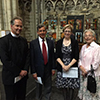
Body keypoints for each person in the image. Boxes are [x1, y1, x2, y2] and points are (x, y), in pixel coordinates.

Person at [0, 16, 30, 100]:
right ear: (11, 26)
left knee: (22, 97)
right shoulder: (3, 41)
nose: (19, 28)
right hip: (10, 77)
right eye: (17, 26)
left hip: (23, 77)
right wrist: (19, 71)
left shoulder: (23, 40)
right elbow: (5, 60)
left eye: (21, 26)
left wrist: (25, 70)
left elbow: (27, 56)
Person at [30, 24, 56, 100]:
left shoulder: (50, 42)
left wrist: (53, 68)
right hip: (38, 70)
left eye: (44, 30)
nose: (42, 32)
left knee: (48, 88)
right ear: (37, 32)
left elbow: (52, 56)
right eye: (40, 31)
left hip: (48, 69)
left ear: (46, 32)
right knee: (38, 89)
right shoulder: (33, 43)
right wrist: (33, 72)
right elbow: (32, 58)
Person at [55, 24, 80, 100]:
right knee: (63, 87)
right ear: (63, 32)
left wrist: (68, 66)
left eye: (69, 31)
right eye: (65, 31)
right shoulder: (59, 42)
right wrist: (63, 66)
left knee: (72, 87)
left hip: (71, 66)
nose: (67, 33)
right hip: (62, 66)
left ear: (71, 32)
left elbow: (76, 56)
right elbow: (57, 56)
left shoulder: (75, 42)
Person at [78, 29, 100, 100]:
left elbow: (96, 63)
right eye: (86, 36)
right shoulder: (83, 46)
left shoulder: (97, 47)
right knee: (84, 94)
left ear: (93, 37)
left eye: (89, 35)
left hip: (91, 75)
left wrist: (86, 71)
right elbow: (80, 59)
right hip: (83, 74)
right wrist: (81, 68)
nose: (87, 37)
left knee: (92, 95)